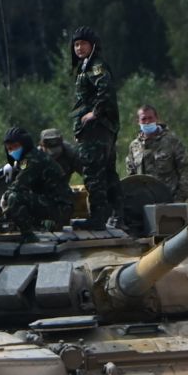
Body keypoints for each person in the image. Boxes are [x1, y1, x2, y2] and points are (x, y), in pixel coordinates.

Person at [68, 27, 120, 228]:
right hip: (95, 130)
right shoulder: (85, 66)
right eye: (76, 44)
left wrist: (94, 114)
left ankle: (98, 218)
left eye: (83, 43)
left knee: (93, 174)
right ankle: (118, 214)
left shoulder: (95, 66)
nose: (79, 48)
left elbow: (105, 90)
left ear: (93, 45)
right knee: (108, 173)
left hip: (97, 129)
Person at [0, 126, 73, 234]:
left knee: (14, 197)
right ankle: (40, 224)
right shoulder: (28, 158)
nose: (12, 151)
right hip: (51, 203)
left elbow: (18, 186)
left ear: (25, 145)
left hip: (59, 208)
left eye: (15, 147)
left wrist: (5, 197)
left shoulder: (33, 159)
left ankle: (28, 235)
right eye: (9, 149)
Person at [125, 104, 188, 203]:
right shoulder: (134, 146)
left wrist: (178, 200)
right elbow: (131, 178)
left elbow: (185, 172)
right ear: (138, 121)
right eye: (144, 119)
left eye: (150, 118)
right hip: (143, 205)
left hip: (170, 202)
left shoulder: (171, 141)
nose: (147, 122)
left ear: (156, 118)